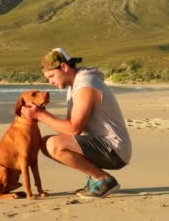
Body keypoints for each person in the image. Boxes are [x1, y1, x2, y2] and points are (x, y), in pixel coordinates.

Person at [21, 47, 132, 198]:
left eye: (52, 75)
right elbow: (69, 130)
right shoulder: (75, 85)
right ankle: (96, 178)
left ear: (64, 67)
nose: (50, 82)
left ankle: (103, 179)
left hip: (115, 149)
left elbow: (73, 130)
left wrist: (40, 114)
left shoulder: (86, 84)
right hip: (104, 146)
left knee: (52, 145)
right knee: (46, 143)